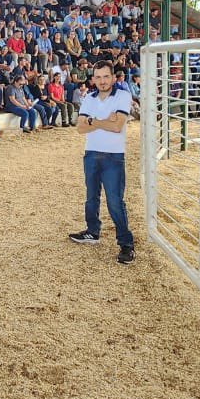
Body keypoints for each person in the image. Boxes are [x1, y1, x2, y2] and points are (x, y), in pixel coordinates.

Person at [68, 61, 135, 264]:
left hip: (114, 155)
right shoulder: (89, 97)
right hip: (91, 153)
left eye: (106, 76)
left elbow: (118, 127)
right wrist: (105, 120)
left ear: (113, 77)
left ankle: (126, 244)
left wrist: (92, 121)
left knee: (115, 201)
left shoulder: (123, 95)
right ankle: (92, 232)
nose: (102, 81)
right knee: (91, 197)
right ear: (93, 78)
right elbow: (80, 128)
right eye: (98, 77)